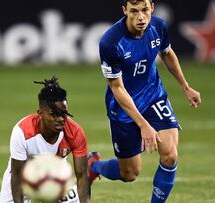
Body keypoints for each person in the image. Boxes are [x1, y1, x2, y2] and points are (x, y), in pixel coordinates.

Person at [87, 0, 201, 202]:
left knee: (170, 155)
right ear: (124, 11)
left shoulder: (158, 26)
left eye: (144, 10)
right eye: (134, 11)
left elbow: (166, 53)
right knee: (129, 174)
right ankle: (93, 166)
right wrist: (144, 125)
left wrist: (185, 86)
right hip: (123, 108)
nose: (141, 17)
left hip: (153, 95)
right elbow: (117, 88)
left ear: (152, 8)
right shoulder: (110, 43)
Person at [0, 76, 90, 203]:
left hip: (56, 173)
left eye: (64, 114)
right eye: (54, 114)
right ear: (40, 113)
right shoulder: (22, 132)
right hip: (26, 173)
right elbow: (17, 176)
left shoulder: (75, 132)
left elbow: (81, 177)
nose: (61, 119)